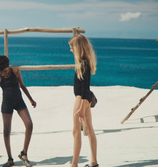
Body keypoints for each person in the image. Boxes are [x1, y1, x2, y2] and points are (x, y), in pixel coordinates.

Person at [0, 55, 37, 167]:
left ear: (8, 66)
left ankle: (24, 153)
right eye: (1, 72)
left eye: (5, 70)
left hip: (19, 102)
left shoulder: (16, 71)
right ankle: (10, 158)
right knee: (6, 131)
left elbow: (22, 86)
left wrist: (31, 100)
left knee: (29, 124)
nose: (3, 73)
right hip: (6, 105)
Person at [69, 34, 98, 167]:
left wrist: (80, 108)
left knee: (76, 132)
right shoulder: (85, 62)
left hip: (81, 99)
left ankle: (74, 164)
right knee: (89, 129)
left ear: (78, 47)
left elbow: (83, 89)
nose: (71, 50)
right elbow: (85, 88)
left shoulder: (83, 64)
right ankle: (93, 162)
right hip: (85, 99)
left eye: (72, 47)